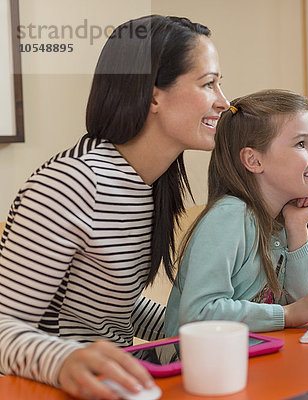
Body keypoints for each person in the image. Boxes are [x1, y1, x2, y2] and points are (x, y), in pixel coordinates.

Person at [0, 15, 228, 399]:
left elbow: (114, 306)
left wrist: (201, 329)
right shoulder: (71, 183)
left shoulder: (150, 183)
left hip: (120, 383)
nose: (224, 101)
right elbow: (3, 326)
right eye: (209, 84)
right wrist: (66, 361)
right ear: (154, 94)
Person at [165, 89, 308, 337]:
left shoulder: (281, 217)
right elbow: (199, 313)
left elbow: (303, 299)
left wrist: (297, 228)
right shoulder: (230, 216)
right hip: (198, 365)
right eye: (301, 144)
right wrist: (287, 315)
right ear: (253, 160)